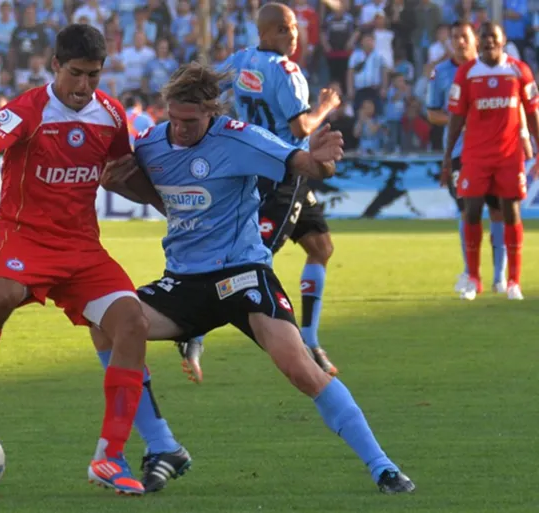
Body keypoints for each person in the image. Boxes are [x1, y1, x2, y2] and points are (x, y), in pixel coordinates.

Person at [97, 61, 415, 495]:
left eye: (191, 122)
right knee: (106, 323)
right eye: (174, 119)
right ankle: (162, 446)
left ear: (211, 112)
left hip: (242, 274)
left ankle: (383, 467)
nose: (181, 130)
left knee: (300, 369)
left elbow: (304, 163)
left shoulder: (239, 138)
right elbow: (157, 199)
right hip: (184, 282)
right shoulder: (152, 144)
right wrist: (116, 185)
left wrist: (322, 162)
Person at [0, 24, 165, 496]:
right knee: (1, 298)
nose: (83, 86)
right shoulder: (28, 108)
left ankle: (109, 457)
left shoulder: (111, 115)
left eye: (93, 75)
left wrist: (163, 203)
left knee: (132, 323)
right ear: (55, 66)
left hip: (82, 249)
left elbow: (122, 172)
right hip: (25, 238)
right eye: (75, 73)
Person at [177, 2, 340, 384]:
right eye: (283, 28)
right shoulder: (287, 72)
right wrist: (325, 107)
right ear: (264, 32)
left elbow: (209, 88)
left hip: (255, 163)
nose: (292, 35)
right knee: (251, 260)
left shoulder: (241, 60)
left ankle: (311, 339)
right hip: (285, 171)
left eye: (293, 27)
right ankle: (193, 331)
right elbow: (301, 129)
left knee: (320, 246)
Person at [444, 22, 539, 301]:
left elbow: (532, 113)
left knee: (510, 213)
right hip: (475, 155)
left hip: (509, 155)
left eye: (493, 37)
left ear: (503, 39)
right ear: (480, 41)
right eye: (484, 37)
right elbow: (456, 118)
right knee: (471, 211)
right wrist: (448, 155)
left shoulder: (519, 71)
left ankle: (513, 281)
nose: (489, 42)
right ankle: (474, 278)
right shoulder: (467, 73)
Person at [427, 21, 507, 296]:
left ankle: (500, 277)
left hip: (495, 150)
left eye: (464, 36)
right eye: (454, 37)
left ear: (475, 40)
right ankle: (471, 275)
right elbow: (432, 112)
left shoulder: (492, 69)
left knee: (498, 210)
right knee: (468, 211)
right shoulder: (441, 73)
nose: (459, 42)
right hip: (460, 153)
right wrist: (458, 119)